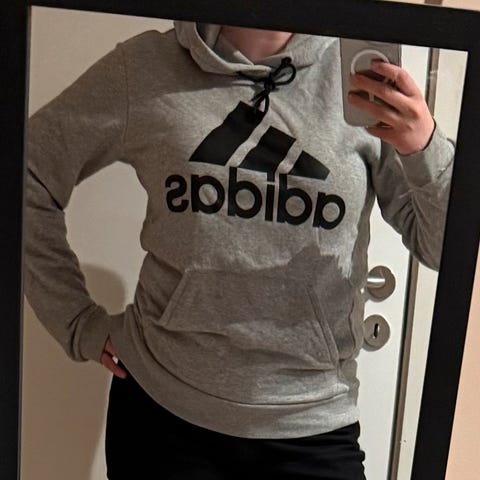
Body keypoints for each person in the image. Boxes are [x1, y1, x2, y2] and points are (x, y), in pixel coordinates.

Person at [24, 21, 453, 480]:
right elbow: (26, 171)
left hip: (311, 423)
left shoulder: (360, 78)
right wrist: (76, 321)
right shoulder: (146, 68)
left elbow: (442, 250)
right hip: (163, 417)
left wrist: (424, 147)